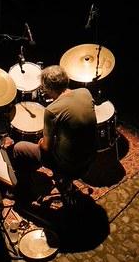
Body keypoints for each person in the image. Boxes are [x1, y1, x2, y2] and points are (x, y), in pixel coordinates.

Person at [10, 65, 97, 202]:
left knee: (19, 148)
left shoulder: (52, 110)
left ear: (48, 88)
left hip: (70, 166)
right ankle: (64, 181)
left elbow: (46, 148)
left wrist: (41, 143)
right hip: (90, 157)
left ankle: (24, 192)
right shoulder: (85, 92)